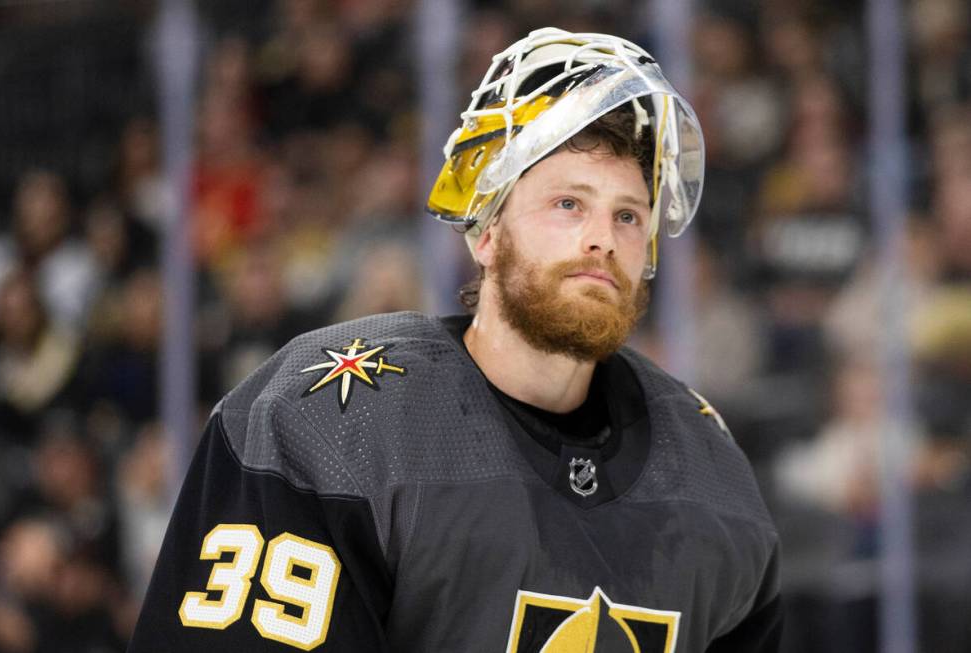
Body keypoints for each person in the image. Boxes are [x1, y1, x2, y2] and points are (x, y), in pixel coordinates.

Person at [129, 28, 781, 652]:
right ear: (486, 233)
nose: (602, 239)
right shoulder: (330, 422)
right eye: (568, 203)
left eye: (628, 214)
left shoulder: (707, 470)